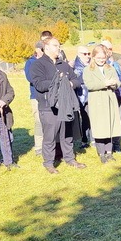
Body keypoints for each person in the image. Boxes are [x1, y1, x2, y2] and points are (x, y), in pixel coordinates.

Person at [30, 37, 86, 174]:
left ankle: (69, 158)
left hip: (66, 105)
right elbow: (39, 84)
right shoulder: (38, 65)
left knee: (67, 133)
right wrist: (58, 82)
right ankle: (48, 163)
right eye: (55, 45)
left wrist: (70, 84)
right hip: (48, 106)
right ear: (46, 47)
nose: (58, 48)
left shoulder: (63, 64)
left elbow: (77, 80)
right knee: (50, 136)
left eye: (59, 46)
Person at [82, 45, 121, 163]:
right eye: (99, 57)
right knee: (99, 127)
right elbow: (90, 85)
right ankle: (101, 153)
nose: (101, 60)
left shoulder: (110, 68)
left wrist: (114, 83)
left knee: (110, 126)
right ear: (93, 57)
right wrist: (105, 83)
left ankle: (109, 152)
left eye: (103, 57)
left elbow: (118, 82)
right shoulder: (88, 70)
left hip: (109, 99)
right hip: (97, 100)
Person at [24, 41, 45, 155]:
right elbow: (31, 78)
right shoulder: (30, 62)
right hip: (36, 96)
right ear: (38, 50)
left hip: (49, 95)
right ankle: (39, 146)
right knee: (39, 121)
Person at [72, 46, 91, 149]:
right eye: (85, 54)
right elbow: (76, 79)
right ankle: (84, 139)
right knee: (84, 118)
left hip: (91, 94)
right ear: (79, 54)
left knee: (90, 117)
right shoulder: (75, 66)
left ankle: (92, 139)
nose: (87, 56)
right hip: (81, 95)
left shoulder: (92, 64)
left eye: (89, 54)